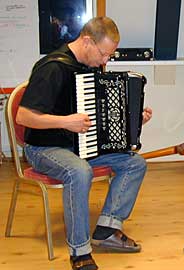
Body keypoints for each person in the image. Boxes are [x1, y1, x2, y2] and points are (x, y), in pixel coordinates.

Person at [17, 17, 153, 270]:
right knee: (79, 171)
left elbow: (99, 121)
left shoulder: (90, 68)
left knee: (135, 163)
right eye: (104, 54)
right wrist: (65, 121)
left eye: (109, 57)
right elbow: (23, 116)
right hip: (44, 148)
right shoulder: (52, 68)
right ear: (87, 41)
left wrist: (134, 121)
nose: (105, 62)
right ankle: (79, 252)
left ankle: (108, 228)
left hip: (81, 146)